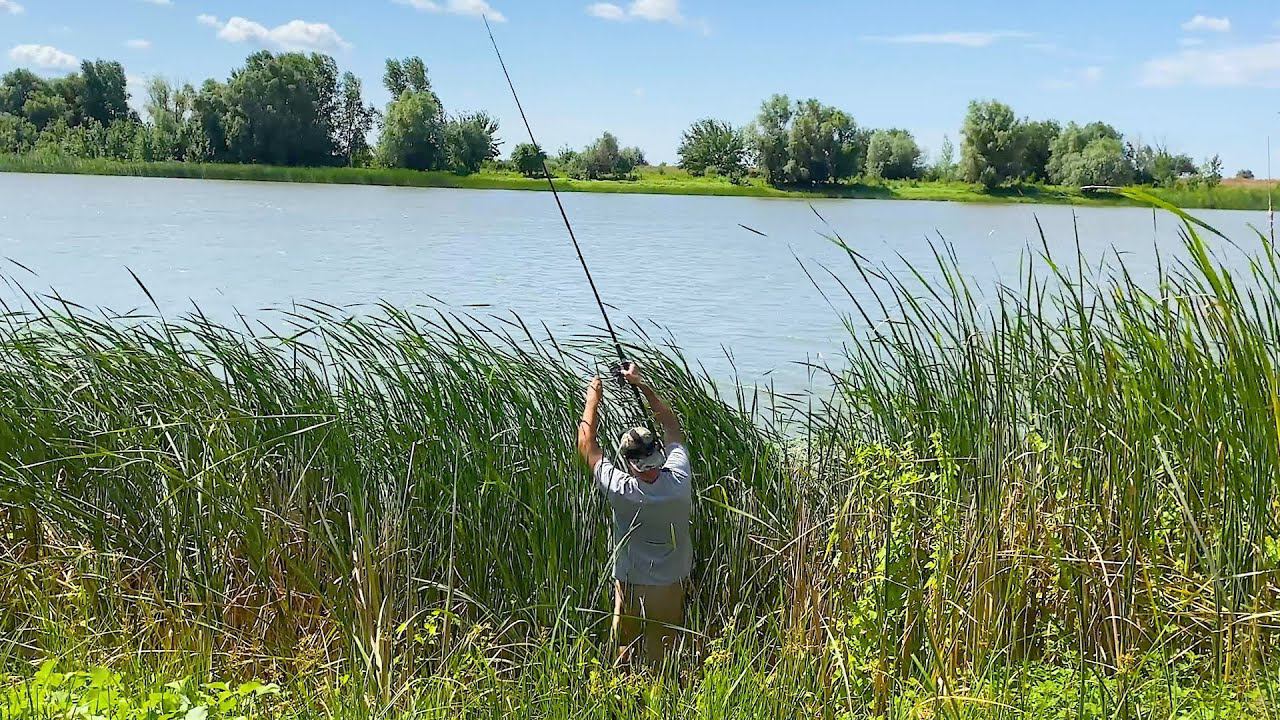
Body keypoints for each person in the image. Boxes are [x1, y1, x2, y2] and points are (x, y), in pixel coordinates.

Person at [578, 361, 692, 665]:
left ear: (629, 463)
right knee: (662, 653)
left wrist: (593, 398)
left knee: (622, 650)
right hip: (670, 584)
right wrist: (641, 385)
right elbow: (671, 426)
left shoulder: (621, 488)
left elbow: (587, 445)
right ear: (658, 453)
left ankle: (620, 700)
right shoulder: (680, 479)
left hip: (630, 583)